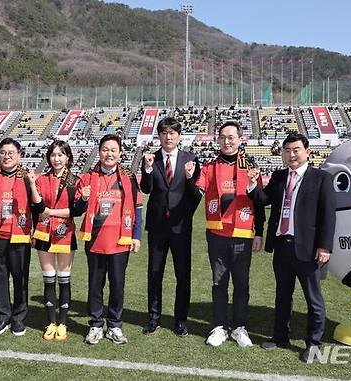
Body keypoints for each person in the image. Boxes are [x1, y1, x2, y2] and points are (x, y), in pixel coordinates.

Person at [247, 133, 336, 362]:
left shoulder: (321, 178)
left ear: (307, 152)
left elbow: (328, 216)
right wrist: (252, 183)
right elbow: (263, 200)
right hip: (282, 247)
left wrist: (325, 247)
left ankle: (314, 343)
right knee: (282, 296)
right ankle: (280, 337)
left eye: (296, 149)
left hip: (308, 249)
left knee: (313, 299)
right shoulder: (278, 176)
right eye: (287, 150)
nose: (291, 154)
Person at [188, 120, 265, 348]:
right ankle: (220, 326)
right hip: (217, 235)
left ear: (240, 139)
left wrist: (258, 232)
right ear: (218, 140)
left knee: (241, 284)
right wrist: (191, 178)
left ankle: (240, 327)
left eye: (231, 137)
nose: (227, 141)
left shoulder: (250, 166)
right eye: (223, 137)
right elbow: (195, 197)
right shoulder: (210, 168)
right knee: (218, 283)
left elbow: (259, 203)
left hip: (242, 234)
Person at [76, 134, 143, 345]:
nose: (109, 154)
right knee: (95, 285)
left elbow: (138, 208)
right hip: (95, 240)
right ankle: (96, 324)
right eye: (105, 149)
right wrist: (84, 197)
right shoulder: (88, 177)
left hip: (120, 241)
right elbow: (77, 210)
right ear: (99, 151)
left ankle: (114, 325)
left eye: (113, 150)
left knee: (117, 285)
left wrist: (137, 236)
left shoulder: (128, 178)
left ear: (120, 153)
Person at [0, 138, 45, 337]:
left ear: (19, 155)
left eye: (11, 153)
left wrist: (36, 233)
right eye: (3, 152)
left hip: (20, 235)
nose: (7, 156)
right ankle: (3, 316)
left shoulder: (26, 177)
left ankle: (18, 317)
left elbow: (37, 207)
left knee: (20, 277)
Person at [139, 117, 201, 337]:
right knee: (154, 273)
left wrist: (189, 178)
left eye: (172, 133)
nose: (168, 137)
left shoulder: (190, 159)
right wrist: (146, 170)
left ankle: (180, 320)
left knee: (182, 275)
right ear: (159, 135)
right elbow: (146, 189)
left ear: (179, 136)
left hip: (181, 228)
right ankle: (154, 318)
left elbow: (196, 197)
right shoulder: (151, 159)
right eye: (164, 132)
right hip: (157, 227)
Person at [32, 140, 81, 341]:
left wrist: (50, 212)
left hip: (65, 233)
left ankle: (63, 323)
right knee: (49, 277)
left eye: (61, 154)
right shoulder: (41, 180)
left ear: (67, 157)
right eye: (53, 155)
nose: (57, 158)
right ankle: (51, 322)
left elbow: (76, 211)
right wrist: (31, 183)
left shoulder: (75, 180)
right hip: (43, 233)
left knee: (64, 276)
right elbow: (37, 206)